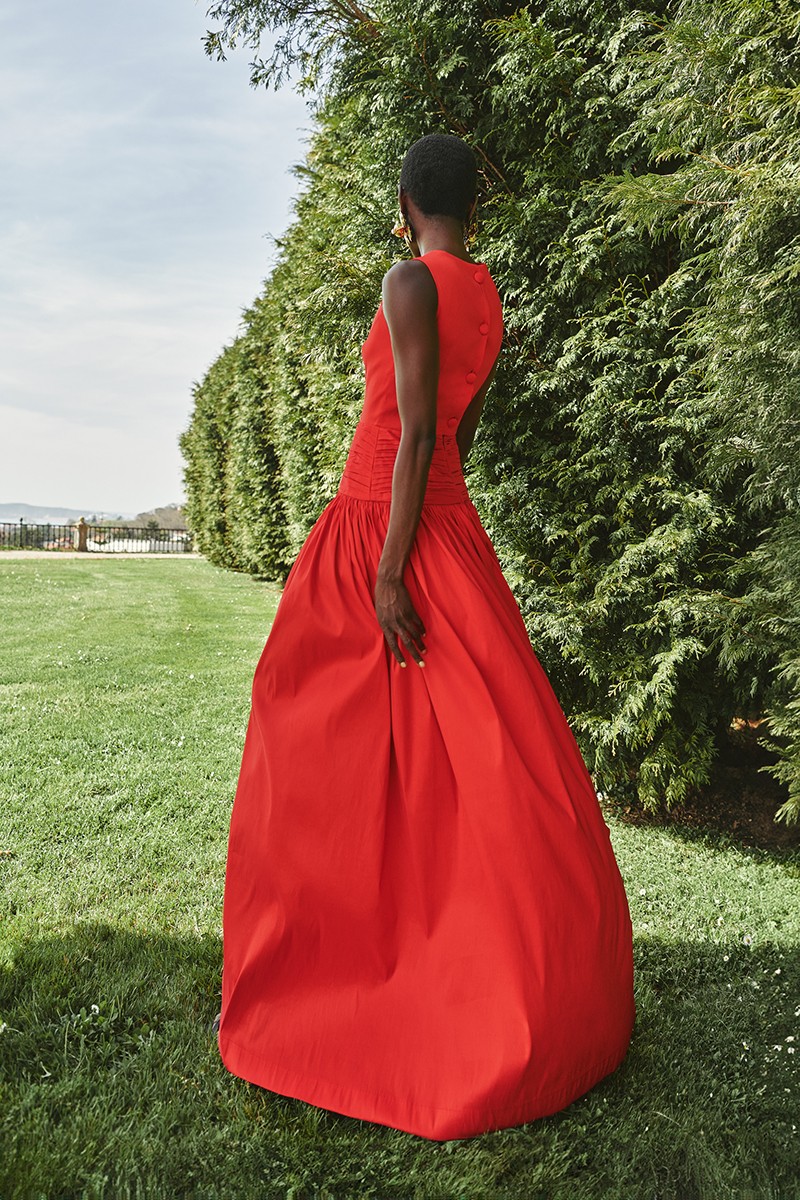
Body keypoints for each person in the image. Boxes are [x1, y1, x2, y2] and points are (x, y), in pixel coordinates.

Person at [216, 133, 635, 1141]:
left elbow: (409, 429)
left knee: (314, 747)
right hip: (444, 522)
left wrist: (392, 564)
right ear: (468, 211)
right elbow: (458, 433)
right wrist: (432, 523)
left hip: (382, 523)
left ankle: (349, 977)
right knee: (478, 754)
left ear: (405, 204)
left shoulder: (410, 281)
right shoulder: (485, 294)